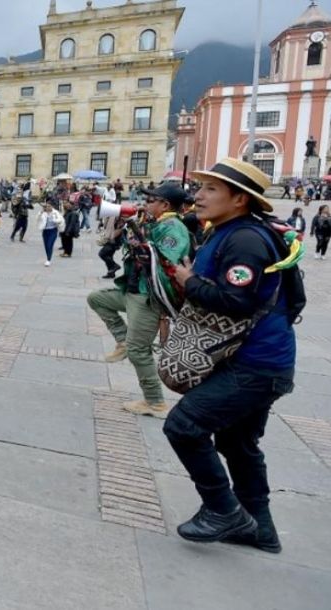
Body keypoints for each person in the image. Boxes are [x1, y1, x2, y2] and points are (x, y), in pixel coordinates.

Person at [165, 158, 298, 550]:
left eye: (210, 189)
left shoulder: (245, 240)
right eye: (200, 187)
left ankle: (223, 510)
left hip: (255, 363)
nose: (198, 195)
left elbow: (235, 301)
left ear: (240, 199)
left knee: (184, 426)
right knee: (237, 443)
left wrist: (190, 282)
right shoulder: (232, 231)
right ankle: (261, 530)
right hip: (260, 360)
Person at [87, 184, 191, 417]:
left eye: (152, 200)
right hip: (133, 288)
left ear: (165, 204)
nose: (146, 204)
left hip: (148, 295)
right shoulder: (156, 223)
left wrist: (142, 240)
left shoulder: (174, 227)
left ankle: (155, 402)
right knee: (97, 299)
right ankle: (122, 340)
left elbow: (164, 258)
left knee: (139, 350)